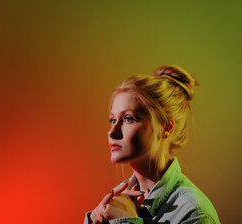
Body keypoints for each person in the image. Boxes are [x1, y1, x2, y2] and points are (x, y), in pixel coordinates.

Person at [84, 65, 221, 224]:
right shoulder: (117, 204)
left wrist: (126, 222)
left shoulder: (195, 214)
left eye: (129, 119)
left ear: (166, 128)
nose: (112, 132)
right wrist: (93, 221)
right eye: (113, 120)